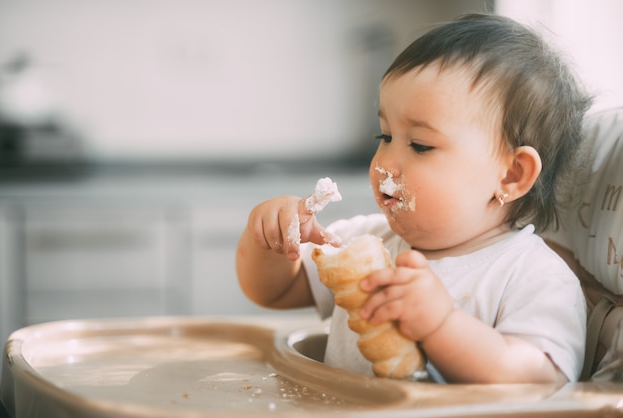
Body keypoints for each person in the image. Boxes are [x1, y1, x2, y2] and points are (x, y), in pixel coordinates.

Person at [236, 13, 592, 384]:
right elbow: (274, 292)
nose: (386, 162)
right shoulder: (365, 242)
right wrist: (271, 239)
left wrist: (441, 325)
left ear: (512, 175)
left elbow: (539, 381)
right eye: (385, 137)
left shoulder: (533, 276)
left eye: (421, 145)